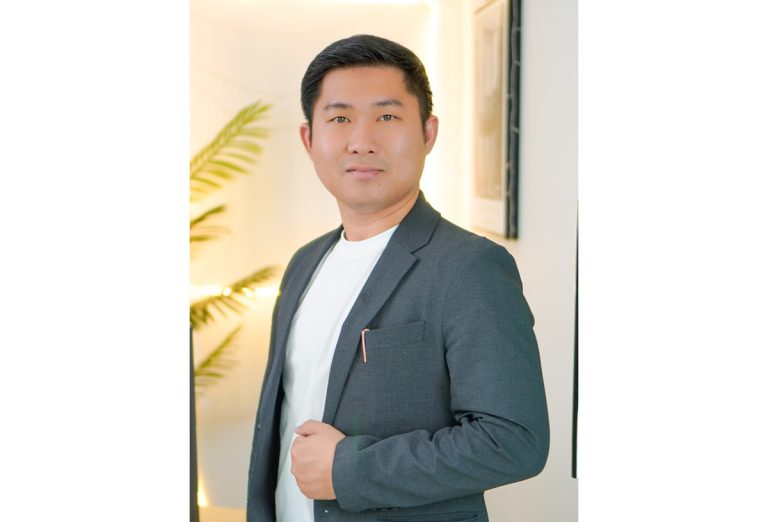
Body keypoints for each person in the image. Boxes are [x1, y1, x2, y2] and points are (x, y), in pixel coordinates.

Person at [246, 34, 549, 522]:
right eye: (340, 118)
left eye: (387, 117)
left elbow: (513, 440)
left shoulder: (469, 267)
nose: (362, 141)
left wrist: (350, 469)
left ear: (428, 133)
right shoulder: (304, 263)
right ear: (309, 139)